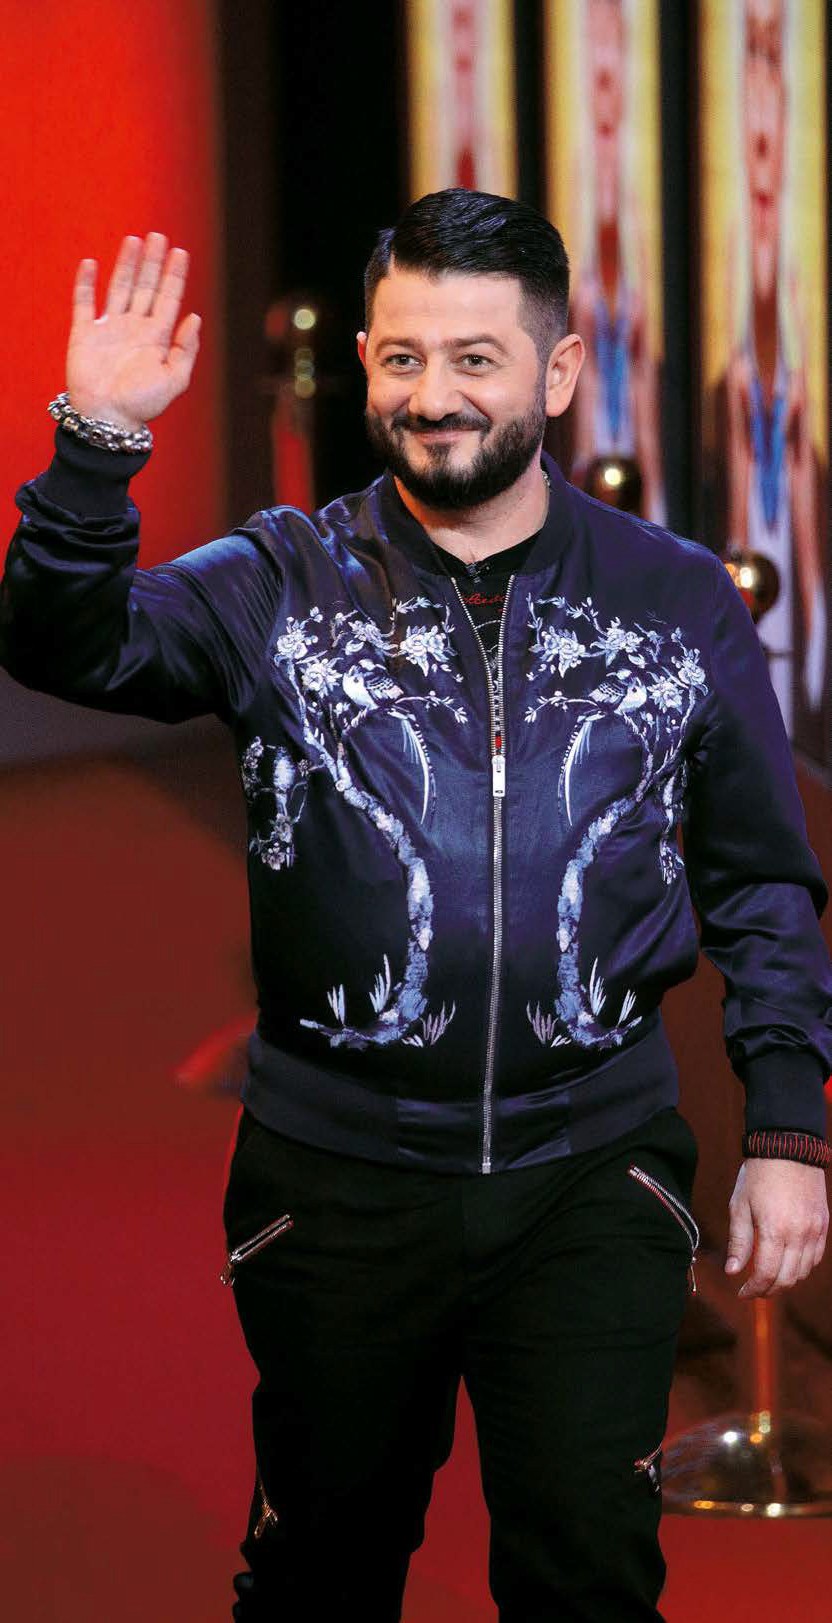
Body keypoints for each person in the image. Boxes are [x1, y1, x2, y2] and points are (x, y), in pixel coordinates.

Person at [2, 189, 831, 1623]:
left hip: (593, 1175)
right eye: (402, 358)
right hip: (335, 1178)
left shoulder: (678, 599)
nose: (431, 396)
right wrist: (97, 446)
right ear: (366, 363)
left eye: (474, 359)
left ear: (557, 375)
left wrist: (786, 1129)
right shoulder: (276, 580)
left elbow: (761, 879)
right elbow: (65, 645)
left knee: (589, 1579)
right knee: (320, 1571)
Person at [711, 0, 828, 752]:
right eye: (748, 105)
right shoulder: (732, 267)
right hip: (752, 535)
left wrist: (813, 605)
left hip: (784, 541)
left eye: (771, 110)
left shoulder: (798, 294)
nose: (759, 137)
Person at [568, 0, 666, 523]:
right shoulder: (575, 179)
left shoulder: (641, 196)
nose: (606, 72)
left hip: (630, 402)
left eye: (614, 49)